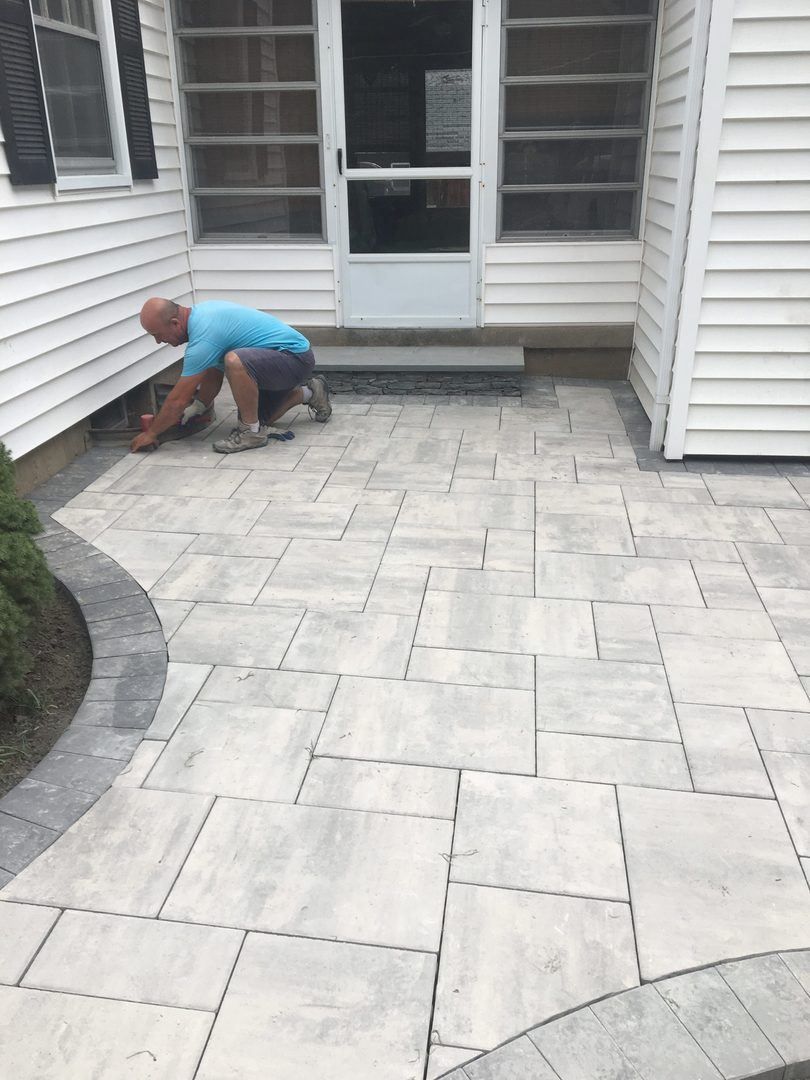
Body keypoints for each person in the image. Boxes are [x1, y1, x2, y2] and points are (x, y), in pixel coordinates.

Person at [130, 298, 331, 454]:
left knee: (235, 361)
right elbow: (212, 374)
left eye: (157, 334)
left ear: (174, 323)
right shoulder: (201, 318)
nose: (158, 341)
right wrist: (199, 406)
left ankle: (251, 434)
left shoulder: (203, 336)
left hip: (294, 358)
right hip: (285, 360)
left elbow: (177, 400)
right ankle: (311, 392)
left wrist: (152, 432)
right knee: (260, 417)